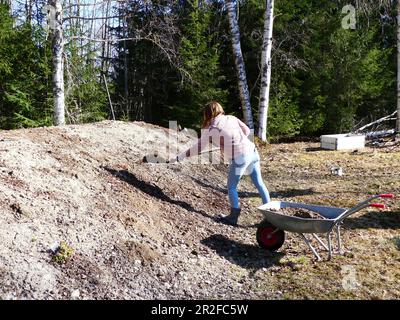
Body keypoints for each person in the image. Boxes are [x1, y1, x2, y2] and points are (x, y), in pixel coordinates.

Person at [170, 101, 271, 226]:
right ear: (220, 110)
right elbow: (245, 131)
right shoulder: (231, 118)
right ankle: (269, 214)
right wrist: (231, 141)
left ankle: (234, 216)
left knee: (232, 186)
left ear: (207, 114)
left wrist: (183, 155)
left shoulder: (211, 129)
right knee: (259, 183)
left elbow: (198, 149)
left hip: (240, 158)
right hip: (252, 151)